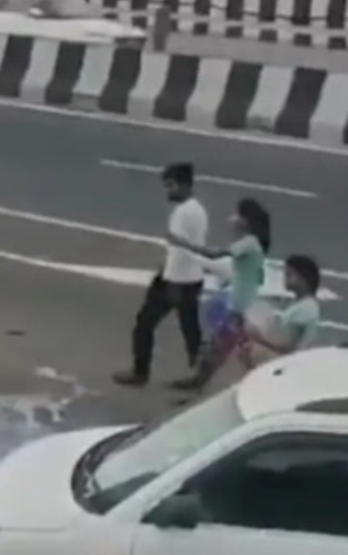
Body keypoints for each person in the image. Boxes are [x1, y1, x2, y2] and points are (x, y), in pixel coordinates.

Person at [114, 163, 209, 388]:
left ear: (184, 185)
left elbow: (180, 250)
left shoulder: (183, 213)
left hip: (176, 280)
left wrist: (168, 280)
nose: (168, 191)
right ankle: (201, 375)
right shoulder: (198, 210)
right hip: (191, 277)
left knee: (145, 323)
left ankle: (140, 371)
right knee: (191, 330)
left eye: (171, 186)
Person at [168, 197, 271, 391]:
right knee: (225, 348)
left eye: (238, 216)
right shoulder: (253, 244)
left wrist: (182, 243)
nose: (234, 220)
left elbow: (214, 254)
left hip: (239, 307)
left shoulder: (249, 243)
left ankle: (258, 385)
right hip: (241, 304)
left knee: (227, 349)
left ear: (246, 220)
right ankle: (200, 381)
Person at [241, 254, 322, 368]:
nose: (284, 278)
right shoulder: (302, 304)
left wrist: (257, 336)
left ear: (303, 280)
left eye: (289, 274)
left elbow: (285, 346)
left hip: (288, 362)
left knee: (246, 351)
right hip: (288, 358)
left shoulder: (305, 309)